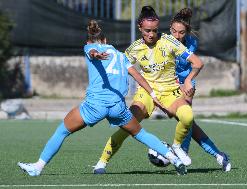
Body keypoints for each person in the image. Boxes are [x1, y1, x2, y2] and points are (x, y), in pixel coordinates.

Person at [17, 19, 188, 176]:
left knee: (62, 130)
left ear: (89, 41)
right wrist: (152, 94)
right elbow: (137, 76)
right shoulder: (121, 56)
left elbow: (91, 51)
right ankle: (175, 159)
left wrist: (94, 54)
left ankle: (37, 167)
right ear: (106, 41)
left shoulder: (90, 48)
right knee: (140, 133)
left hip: (95, 105)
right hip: (118, 107)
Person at [93, 6, 204, 174]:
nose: (151, 34)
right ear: (140, 28)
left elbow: (197, 62)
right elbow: (118, 68)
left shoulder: (169, 41)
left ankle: (176, 146)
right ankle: (102, 162)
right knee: (127, 126)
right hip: (146, 92)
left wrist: (188, 80)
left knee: (187, 116)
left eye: (154, 30)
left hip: (169, 91)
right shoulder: (134, 48)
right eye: (147, 31)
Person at [169, 8, 231, 172]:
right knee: (190, 124)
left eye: (181, 32)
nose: (177, 36)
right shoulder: (165, 42)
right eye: (174, 31)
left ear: (187, 32)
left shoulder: (192, 43)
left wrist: (186, 83)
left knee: (187, 121)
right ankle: (218, 155)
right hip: (167, 83)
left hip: (186, 82)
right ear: (169, 29)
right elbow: (166, 68)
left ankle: (183, 154)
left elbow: (194, 66)